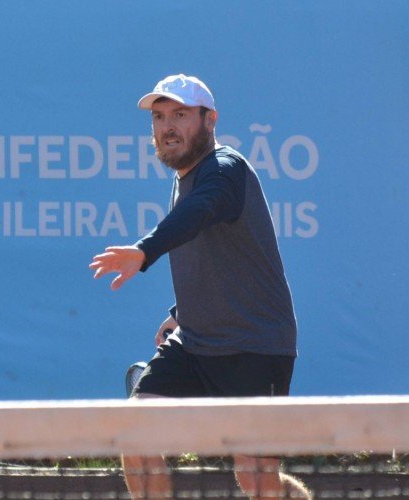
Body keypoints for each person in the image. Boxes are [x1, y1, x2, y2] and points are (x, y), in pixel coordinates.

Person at [89, 74, 310, 499]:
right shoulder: (184, 177)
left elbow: (198, 213)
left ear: (210, 121)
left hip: (255, 346)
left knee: (256, 479)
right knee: (135, 434)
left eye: (181, 115)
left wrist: (144, 251)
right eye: (159, 117)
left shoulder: (225, 171)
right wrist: (179, 312)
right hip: (195, 343)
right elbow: (216, 254)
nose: (167, 127)